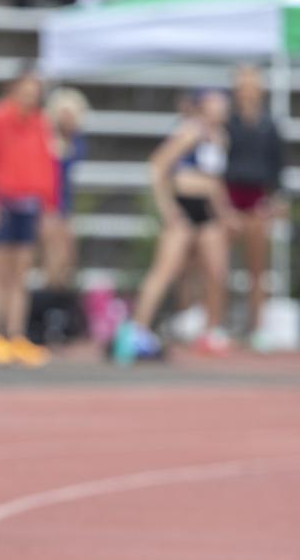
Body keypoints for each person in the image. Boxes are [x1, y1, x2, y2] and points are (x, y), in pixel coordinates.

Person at [113, 89, 235, 362]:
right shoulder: (190, 132)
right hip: (183, 206)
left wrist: (225, 212)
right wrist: (167, 208)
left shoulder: (221, 137)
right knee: (164, 271)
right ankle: (137, 329)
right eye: (216, 102)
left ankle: (211, 331)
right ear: (204, 105)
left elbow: (215, 182)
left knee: (217, 271)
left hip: (207, 212)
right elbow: (157, 166)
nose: (221, 107)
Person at [0, 69, 58, 368]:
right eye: (25, 90)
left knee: (20, 273)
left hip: (28, 203)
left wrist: (48, 204)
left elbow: (48, 165)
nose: (29, 96)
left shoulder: (40, 122)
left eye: (34, 91)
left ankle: (16, 334)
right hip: (2, 201)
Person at [224, 65, 285, 349]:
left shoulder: (269, 124)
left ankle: (257, 327)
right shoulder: (227, 121)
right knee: (217, 264)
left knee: (256, 269)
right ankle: (216, 324)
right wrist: (223, 206)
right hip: (229, 198)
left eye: (252, 84)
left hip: (257, 198)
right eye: (243, 84)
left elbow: (277, 165)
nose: (247, 89)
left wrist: (274, 200)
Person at [42, 86, 90, 290]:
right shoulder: (43, 136)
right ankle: (49, 296)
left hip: (63, 202)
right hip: (46, 202)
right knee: (54, 253)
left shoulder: (76, 140)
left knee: (68, 257)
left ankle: (56, 297)